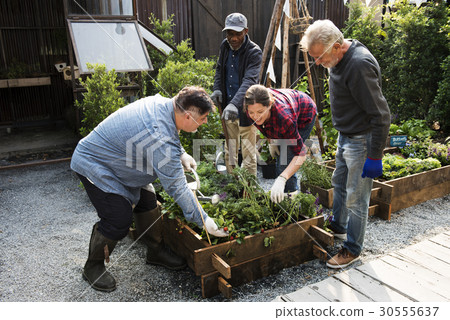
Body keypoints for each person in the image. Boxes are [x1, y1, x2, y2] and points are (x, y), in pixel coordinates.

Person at [71, 86, 228, 292]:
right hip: (96, 163)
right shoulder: (160, 138)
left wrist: (180, 153)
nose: (206, 121)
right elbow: (177, 187)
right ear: (188, 116)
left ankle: (154, 251)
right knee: (119, 219)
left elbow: (168, 130)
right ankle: (93, 266)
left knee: (148, 200)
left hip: (123, 160)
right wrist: (204, 220)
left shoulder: (164, 104)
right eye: (204, 118)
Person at [300, 20, 391, 269]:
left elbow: (381, 115)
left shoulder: (359, 65)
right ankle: (338, 228)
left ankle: (352, 249)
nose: (318, 63)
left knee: (356, 198)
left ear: (338, 46)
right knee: (338, 184)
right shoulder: (336, 57)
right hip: (345, 135)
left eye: (320, 57)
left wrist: (375, 156)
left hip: (362, 141)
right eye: (314, 57)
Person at [243, 84, 317, 203]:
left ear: (270, 105)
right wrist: (272, 141)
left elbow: (301, 154)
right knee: (281, 157)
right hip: (289, 109)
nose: (255, 117)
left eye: (260, 111)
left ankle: (291, 200)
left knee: (285, 161)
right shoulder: (251, 108)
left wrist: (282, 178)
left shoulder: (284, 118)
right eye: (252, 113)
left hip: (305, 112)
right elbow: (264, 126)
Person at [210, 12, 262, 176]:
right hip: (228, 108)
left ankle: (249, 188)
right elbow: (219, 69)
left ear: (246, 31)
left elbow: (249, 81)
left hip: (247, 109)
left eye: (237, 34)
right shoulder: (224, 46)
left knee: (248, 152)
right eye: (230, 34)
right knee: (230, 148)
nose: (233, 38)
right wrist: (217, 88)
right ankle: (233, 185)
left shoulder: (254, 52)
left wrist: (235, 103)